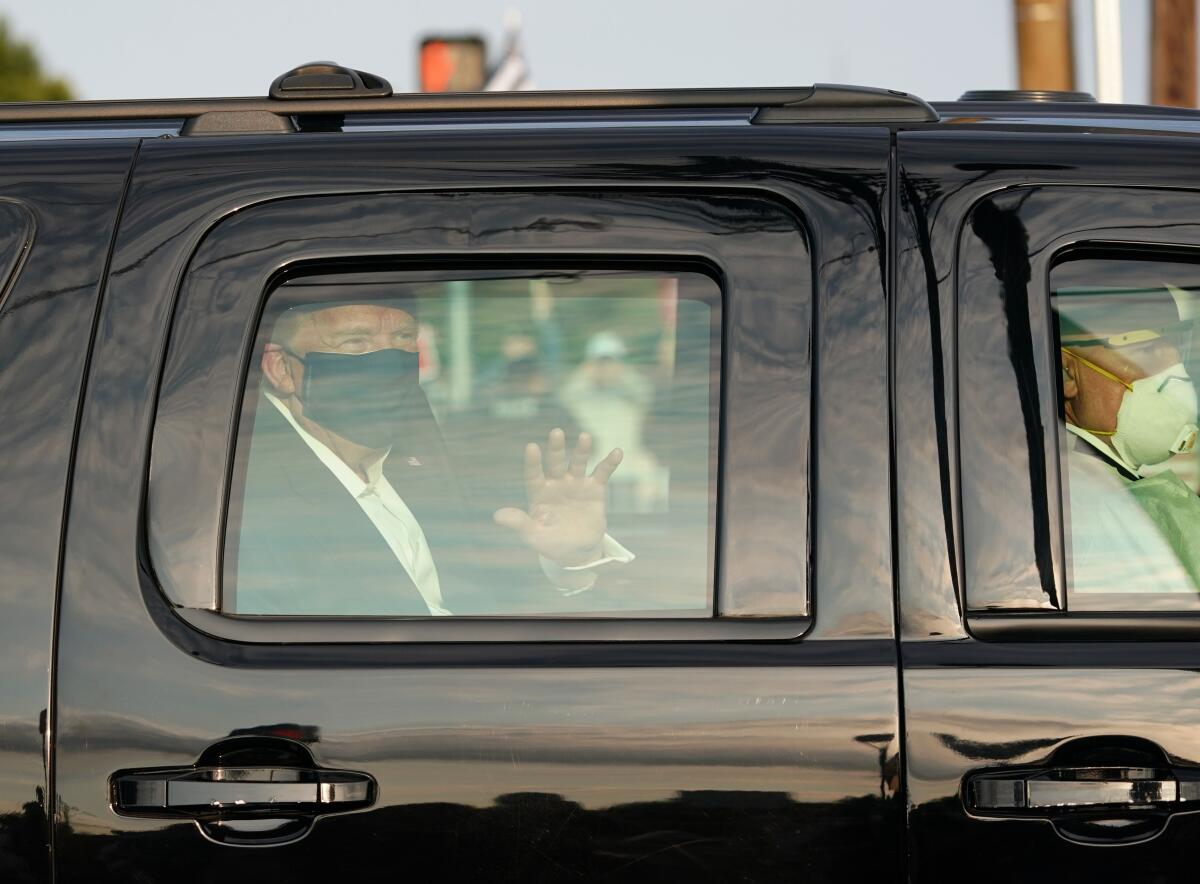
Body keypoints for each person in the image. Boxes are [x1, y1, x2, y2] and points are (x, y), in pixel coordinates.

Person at [227, 297, 633, 616]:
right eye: (356, 342)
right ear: (281, 369)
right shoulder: (243, 501)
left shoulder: (421, 471)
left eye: (404, 338)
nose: (388, 360)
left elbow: (493, 601)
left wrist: (568, 560)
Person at [1057, 284, 1200, 593]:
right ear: (1068, 374)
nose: (1175, 375)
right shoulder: (1085, 505)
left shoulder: (1089, 482)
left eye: (1177, 348)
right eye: (1146, 351)